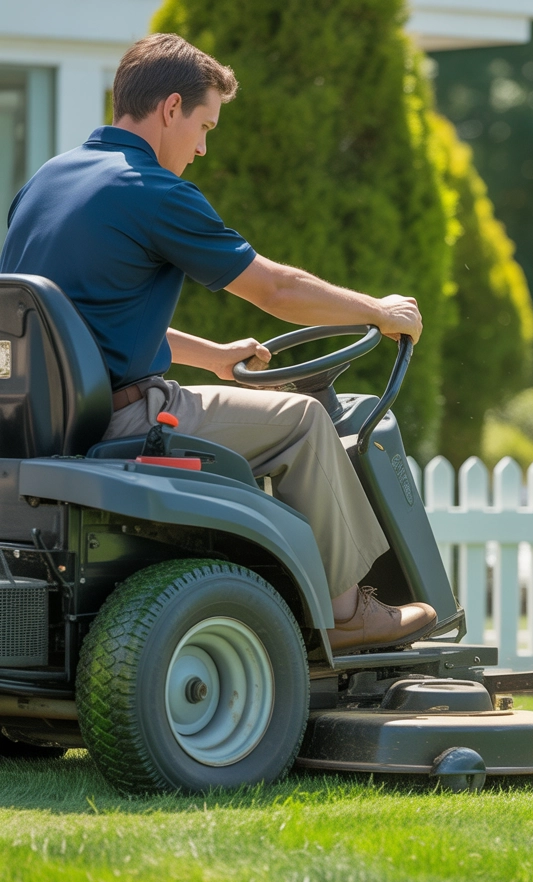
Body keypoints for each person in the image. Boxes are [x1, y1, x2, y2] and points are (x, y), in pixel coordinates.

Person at [0, 33, 437, 653]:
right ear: (170, 108)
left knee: (270, 413)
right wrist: (378, 310)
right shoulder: (151, 191)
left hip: (44, 425)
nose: (203, 147)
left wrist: (214, 357)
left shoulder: (47, 181)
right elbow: (275, 290)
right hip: (121, 418)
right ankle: (346, 611)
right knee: (304, 421)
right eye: (204, 126)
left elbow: (72, 323)